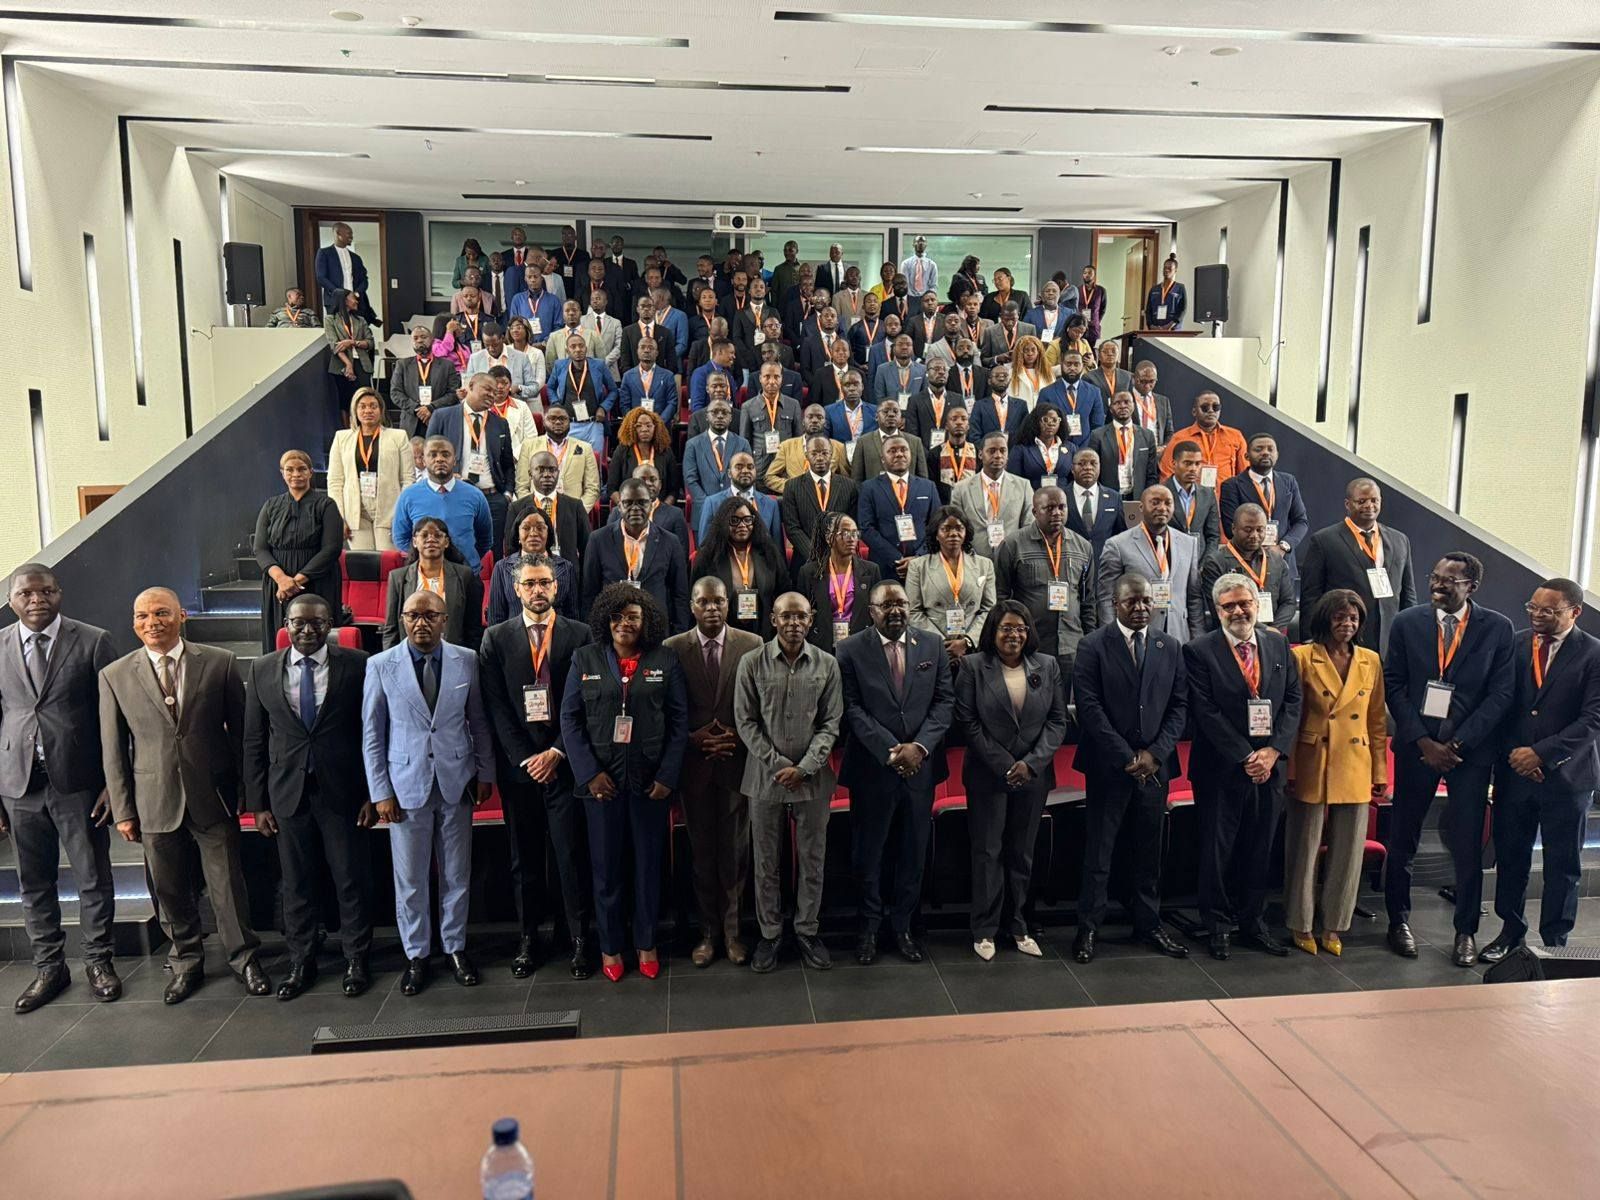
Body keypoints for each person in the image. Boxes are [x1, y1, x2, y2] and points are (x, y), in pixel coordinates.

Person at [100, 589, 269, 1003]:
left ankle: (244, 958)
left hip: (213, 794)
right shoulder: (115, 675)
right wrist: (123, 809)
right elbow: (113, 749)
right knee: (169, 888)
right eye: (142, 616)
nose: (152, 622)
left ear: (182, 616)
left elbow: (243, 734)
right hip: (153, 798)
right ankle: (186, 961)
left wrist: (247, 790)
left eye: (162, 613)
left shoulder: (219, 661)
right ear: (133, 623)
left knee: (227, 885)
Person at [1382, 553, 1514, 966]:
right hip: (1416, 749)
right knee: (1403, 838)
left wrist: (1457, 744)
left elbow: (1501, 694)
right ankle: (1398, 921)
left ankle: (1465, 931)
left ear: (1471, 586)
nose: (1438, 584)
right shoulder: (1407, 622)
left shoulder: (1498, 627)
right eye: (1435, 577)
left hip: (1468, 755)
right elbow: (1393, 684)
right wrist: (1424, 742)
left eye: (1449, 580)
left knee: (1467, 843)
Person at [362, 588, 494, 995]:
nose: (421, 623)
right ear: (402, 619)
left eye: (430, 615)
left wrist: (485, 772)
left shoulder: (466, 660)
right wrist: (380, 791)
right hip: (405, 786)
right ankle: (416, 954)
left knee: (456, 873)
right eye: (413, 615)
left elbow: (479, 721)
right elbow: (372, 735)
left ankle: (455, 947)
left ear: (444, 620)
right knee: (411, 879)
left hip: (456, 781)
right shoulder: (380, 665)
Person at [242, 595, 373, 1000]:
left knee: (350, 879)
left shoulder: (358, 664)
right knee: (296, 882)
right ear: (286, 625)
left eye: (316, 622)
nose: (307, 630)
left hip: (343, 790)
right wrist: (257, 803)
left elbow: (372, 732)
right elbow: (254, 740)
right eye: (298, 622)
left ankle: (356, 958)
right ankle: (301, 961)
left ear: (330, 625)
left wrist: (372, 793)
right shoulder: (263, 669)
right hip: (287, 793)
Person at [1, 566, 120, 1013]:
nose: (37, 600)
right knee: (33, 882)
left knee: (92, 877)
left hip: (80, 782)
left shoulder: (92, 640)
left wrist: (112, 783)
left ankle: (98, 962)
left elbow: (113, 718)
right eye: (26, 593)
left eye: (46, 591)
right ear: (11, 599)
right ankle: (49, 967)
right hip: (18, 784)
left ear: (59, 594)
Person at [559, 583, 689, 982]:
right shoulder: (584, 658)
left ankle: (647, 942)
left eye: (633, 616)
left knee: (648, 868)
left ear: (645, 621)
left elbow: (679, 721)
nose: (624, 624)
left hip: (650, 785)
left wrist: (667, 776)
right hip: (602, 786)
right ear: (606, 620)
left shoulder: (665, 659)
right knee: (606, 872)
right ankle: (611, 947)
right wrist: (589, 774)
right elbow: (570, 720)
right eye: (617, 617)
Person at [479, 555, 596, 980]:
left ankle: (578, 938)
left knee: (571, 854)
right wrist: (527, 758)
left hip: (566, 763)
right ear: (516, 590)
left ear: (556, 587)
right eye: (529, 583)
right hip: (521, 770)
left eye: (544, 582)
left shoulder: (581, 634)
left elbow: (586, 702)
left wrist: (557, 752)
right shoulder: (495, 638)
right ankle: (529, 938)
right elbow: (495, 706)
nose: (537, 590)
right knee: (524, 858)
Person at [1072, 574, 1191, 964]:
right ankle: (1089, 927)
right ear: (1115, 604)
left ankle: (1148, 923)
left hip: (1155, 767)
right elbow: (1088, 707)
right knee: (1099, 851)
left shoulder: (1169, 645)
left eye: (1146, 601)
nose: (1140, 608)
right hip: (1109, 765)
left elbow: (1179, 706)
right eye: (1131, 602)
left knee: (1148, 851)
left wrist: (1154, 753)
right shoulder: (1092, 645)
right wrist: (1126, 755)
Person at [1185, 573, 1303, 960]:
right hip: (1220, 767)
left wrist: (1273, 752)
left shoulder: (1278, 643)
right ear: (1216, 610)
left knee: (1260, 848)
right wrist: (1246, 756)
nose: (1238, 611)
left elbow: (1293, 700)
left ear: (1256, 604)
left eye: (1244, 603)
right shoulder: (1198, 651)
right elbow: (1205, 711)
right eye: (1229, 606)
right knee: (1217, 851)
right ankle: (1218, 925)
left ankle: (1253, 922)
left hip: (1270, 767)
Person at [837, 581, 955, 964]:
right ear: (871, 611)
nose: (895, 611)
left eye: (901, 603)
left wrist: (918, 747)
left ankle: (903, 927)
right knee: (868, 854)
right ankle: (869, 929)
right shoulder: (850, 649)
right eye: (886, 605)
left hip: (921, 767)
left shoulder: (932, 645)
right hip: (873, 768)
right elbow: (852, 709)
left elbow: (944, 702)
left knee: (912, 852)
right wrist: (892, 750)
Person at [1483, 578, 1600, 961]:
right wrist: (1517, 755)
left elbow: (1593, 719)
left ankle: (1554, 944)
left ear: (1575, 612)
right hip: (1515, 774)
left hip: (1567, 779)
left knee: (1562, 866)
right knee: (1511, 858)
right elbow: (1498, 706)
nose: (1537, 616)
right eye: (1532, 608)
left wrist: (1541, 755)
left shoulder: (1593, 653)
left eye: (1548, 611)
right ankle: (1510, 932)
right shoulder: (1514, 644)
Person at [734, 592, 842, 971]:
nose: (794, 623)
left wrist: (806, 766)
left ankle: (807, 931)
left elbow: (831, 723)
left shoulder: (827, 664)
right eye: (786, 617)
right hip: (765, 779)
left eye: (801, 617)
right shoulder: (751, 662)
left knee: (812, 859)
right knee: (766, 862)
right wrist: (779, 764)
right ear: (773, 620)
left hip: (813, 780)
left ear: (811, 620)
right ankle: (770, 935)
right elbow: (745, 721)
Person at [954, 603, 1068, 961]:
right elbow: (967, 721)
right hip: (988, 774)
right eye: (1006, 628)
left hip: (1033, 776)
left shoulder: (1047, 666)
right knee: (987, 852)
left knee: (1022, 852)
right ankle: (984, 929)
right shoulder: (973, 667)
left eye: (1020, 628)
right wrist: (1006, 764)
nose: (1013, 635)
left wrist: (1030, 764)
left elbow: (1058, 721)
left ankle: (1018, 925)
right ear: (993, 631)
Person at [1284, 591, 1388, 958]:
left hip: (1356, 760)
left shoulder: (1370, 660)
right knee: (1304, 847)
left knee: (1349, 851)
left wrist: (1380, 769)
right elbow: (1291, 717)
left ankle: (1334, 925)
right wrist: (1290, 767)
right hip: (1312, 758)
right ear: (1325, 619)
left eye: (1354, 618)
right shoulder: (1301, 656)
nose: (1347, 624)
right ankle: (1300, 922)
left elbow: (1377, 720)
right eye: (1340, 617)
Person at [665, 578, 762, 966]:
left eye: (719, 601)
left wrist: (738, 735)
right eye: (704, 602)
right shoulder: (673, 649)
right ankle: (708, 933)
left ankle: (733, 933)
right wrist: (694, 738)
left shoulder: (752, 644)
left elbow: (760, 703)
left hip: (738, 762)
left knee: (736, 853)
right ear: (691, 606)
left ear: (729, 603)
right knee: (702, 855)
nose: (712, 608)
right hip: (695, 765)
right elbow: (668, 710)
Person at [994, 487, 1098, 696]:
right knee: (1030, 703)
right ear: (1034, 512)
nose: (1057, 513)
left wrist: (1090, 641)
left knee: (1066, 706)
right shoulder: (1012, 545)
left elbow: (1088, 601)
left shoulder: (1083, 547)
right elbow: (1001, 597)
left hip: (1071, 645)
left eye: (1061, 507)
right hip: (1030, 644)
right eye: (1049, 508)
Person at [1300, 477, 1417, 656]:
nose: (1369, 506)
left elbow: (1408, 593)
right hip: (1344, 639)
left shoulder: (1400, 539)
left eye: (1374, 500)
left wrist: (1411, 633)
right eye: (1361, 501)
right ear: (1348, 504)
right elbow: (1311, 595)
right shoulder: (1324, 540)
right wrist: (1310, 638)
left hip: (1390, 641)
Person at [254, 449, 342, 654]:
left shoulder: (326, 505)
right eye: (290, 470)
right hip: (278, 585)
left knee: (317, 637)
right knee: (279, 641)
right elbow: (260, 548)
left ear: (310, 472)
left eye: (302, 469)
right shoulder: (270, 506)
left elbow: (331, 548)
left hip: (317, 581)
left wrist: (295, 582)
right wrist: (282, 580)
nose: (296, 474)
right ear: (282, 473)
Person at [1097, 486, 1206, 644]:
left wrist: (1198, 639)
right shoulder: (1117, 545)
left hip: (1178, 636)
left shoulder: (1189, 543)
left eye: (1168, 503)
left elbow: (1194, 597)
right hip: (1135, 636)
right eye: (1155, 502)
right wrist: (1111, 638)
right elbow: (1107, 597)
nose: (1162, 508)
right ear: (1141, 507)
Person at [426, 373, 517, 559]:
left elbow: (508, 463)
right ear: (471, 385)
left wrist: (507, 493)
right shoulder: (442, 416)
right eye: (488, 389)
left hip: (492, 498)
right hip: (454, 494)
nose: (492, 395)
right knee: (454, 550)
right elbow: (430, 455)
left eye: (495, 392)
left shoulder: (500, 423)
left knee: (492, 554)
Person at [582, 478, 691, 631]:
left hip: (655, 630)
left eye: (642, 502)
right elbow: (589, 593)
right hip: (613, 630)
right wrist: (593, 634)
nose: (635, 508)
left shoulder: (670, 541)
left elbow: (680, 594)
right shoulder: (598, 539)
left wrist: (678, 634)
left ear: (651, 505)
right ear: (619, 507)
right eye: (628, 503)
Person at [906, 505, 996, 665]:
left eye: (959, 528)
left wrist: (967, 641)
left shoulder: (985, 565)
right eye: (946, 529)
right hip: (933, 648)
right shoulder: (918, 566)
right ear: (936, 534)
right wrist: (942, 644)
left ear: (966, 532)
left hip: (972, 649)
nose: (953, 533)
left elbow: (989, 608)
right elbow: (913, 611)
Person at [392, 438, 495, 573]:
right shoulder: (408, 496)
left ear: (455, 460)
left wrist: (466, 560)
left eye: (445, 455)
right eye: (433, 455)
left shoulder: (475, 495)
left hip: (467, 574)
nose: (439, 459)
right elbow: (401, 538)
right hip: (425, 576)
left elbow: (485, 539)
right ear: (423, 460)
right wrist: (427, 557)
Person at [382, 515, 484, 650]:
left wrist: (470, 659)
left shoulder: (465, 576)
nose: (431, 539)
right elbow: (391, 629)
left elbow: (473, 628)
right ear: (414, 542)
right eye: (424, 535)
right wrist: (390, 660)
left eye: (438, 535)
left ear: (446, 542)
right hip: (409, 654)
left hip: (452, 653)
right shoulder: (398, 577)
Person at [327, 388, 409, 551]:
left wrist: (401, 515)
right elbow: (335, 481)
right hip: (356, 511)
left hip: (389, 509)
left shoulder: (398, 436)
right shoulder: (341, 437)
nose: (368, 410)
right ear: (355, 410)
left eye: (373, 406)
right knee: (362, 561)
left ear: (381, 410)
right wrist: (339, 518)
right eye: (362, 406)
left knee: (387, 560)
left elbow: (407, 479)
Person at [1218, 434, 1309, 574]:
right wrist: (1259, 549)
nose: (1265, 452)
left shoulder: (1288, 481)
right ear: (1246, 456)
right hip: (1247, 562)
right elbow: (1231, 528)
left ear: (1277, 454)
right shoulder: (1232, 485)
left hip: (1283, 559)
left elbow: (1301, 521)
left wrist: (1283, 547)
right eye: (1258, 449)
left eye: (1270, 449)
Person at [1202, 504, 1297, 635]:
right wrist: (1263, 630)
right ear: (1233, 529)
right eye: (1248, 530)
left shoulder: (1276, 560)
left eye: (1260, 530)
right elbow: (1218, 607)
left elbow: (1289, 602)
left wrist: (1274, 629)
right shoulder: (1215, 562)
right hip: (1232, 635)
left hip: (1273, 635)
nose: (1254, 535)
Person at [857, 434, 941, 580]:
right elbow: (866, 528)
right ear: (882, 459)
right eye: (892, 451)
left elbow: (937, 526)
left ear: (910, 454)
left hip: (923, 565)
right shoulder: (869, 488)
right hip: (885, 566)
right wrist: (896, 558)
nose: (899, 454)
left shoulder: (928, 487)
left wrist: (918, 558)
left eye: (903, 450)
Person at [797, 512, 881, 654]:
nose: (852, 539)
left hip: (861, 644)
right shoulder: (809, 572)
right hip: (821, 645)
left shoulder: (871, 570)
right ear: (829, 538)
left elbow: (877, 613)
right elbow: (802, 615)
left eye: (855, 533)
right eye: (845, 533)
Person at [488, 505, 580, 625]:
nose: (533, 533)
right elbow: (496, 619)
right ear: (517, 534)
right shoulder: (502, 568)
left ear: (548, 533)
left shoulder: (566, 567)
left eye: (540, 528)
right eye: (526, 528)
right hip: (514, 635)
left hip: (557, 634)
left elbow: (572, 616)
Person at [781, 437, 860, 576]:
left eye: (824, 453)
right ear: (806, 455)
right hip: (805, 562)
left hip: (842, 561)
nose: (819, 458)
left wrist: (837, 553)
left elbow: (853, 523)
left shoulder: (849, 486)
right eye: (814, 453)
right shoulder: (792, 486)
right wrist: (815, 555)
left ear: (832, 455)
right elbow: (792, 528)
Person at [952, 433, 1033, 560]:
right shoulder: (961, 489)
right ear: (980, 454)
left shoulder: (1023, 486)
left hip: (1013, 559)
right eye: (992, 451)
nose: (998, 455)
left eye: (1003, 450)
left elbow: (1029, 526)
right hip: (973, 560)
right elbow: (957, 527)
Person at [516, 405, 602, 512]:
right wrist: (533, 511)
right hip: (537, 510)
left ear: (569, 422)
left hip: (572, 510)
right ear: (544, 422)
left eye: (562, 419)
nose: (557, 422)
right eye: (552, 418)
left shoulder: (585, 448)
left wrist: (578, 511)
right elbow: (522, 486)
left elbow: (592, 488)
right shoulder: (528, 446)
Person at [546, 331, 617, 457]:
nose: (578, 350)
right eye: (573, 347)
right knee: (569, 462)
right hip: (569, 424)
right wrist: (556, 404)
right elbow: (550, 387)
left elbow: (613, 390)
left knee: (594, 462)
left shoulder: (599, 365)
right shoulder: (560, 366)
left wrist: (603, 408)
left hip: (594, 424)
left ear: (586, 348)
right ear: (567, 351)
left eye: (581, 346)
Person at [697, 451, 782, 547]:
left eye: (750, 467)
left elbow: (777, 547)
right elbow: (704, 546)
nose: (745, 471)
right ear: (729, 473)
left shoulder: (771, 504)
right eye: (739, 467)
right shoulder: (712, 503)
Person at [1159, 393, 1249, 483]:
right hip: (1190, 491)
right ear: (1194, 412)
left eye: (1216, 407)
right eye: (1205, 407)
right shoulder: (1179, 438)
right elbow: (1167, 473)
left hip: (1226, 491)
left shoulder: (1235, 436)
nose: (1211, 411)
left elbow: (1245, 473)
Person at [739, 361, 804, 486]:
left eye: (776, 377)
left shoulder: (793, 404)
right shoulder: (748, 406)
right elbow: (745, 442)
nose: (772, 381)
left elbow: (798, 440)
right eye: (767, 377)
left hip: (785, 469)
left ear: (782, 378)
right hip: (759, 467)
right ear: (760, 378)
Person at [393, 322, 463, 437]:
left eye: (423, 337)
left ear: (432, 340)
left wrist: (431, 408)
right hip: (411, 421)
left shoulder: (447, 365)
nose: (420, 340)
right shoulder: (402, 365)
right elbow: (395, 393)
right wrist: (417, 409)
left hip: (438, 418)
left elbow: (452, 393)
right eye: (415, 338)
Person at [606, 408, 680, 506]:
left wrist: (663, 509)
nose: (644, 429)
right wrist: (626, 507)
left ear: (656, 428)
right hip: (630, 508)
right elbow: (611, 488)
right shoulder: (622, 451)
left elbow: (674, 490)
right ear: (631, 429)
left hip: (660, 506)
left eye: (649, 425)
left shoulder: (665, 450)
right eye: (639, 426)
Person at [767, 404, 849, 493]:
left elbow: (846, 478)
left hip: (827, 497)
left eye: (819, 417)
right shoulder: (787, 446)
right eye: (810, 417)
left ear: (825, 423)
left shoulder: (838, 447)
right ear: (803, 422)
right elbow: (770, 477)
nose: (814, 420)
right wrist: (793, 488)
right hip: (797, 498)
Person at [849, 396, 931, 483]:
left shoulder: (915, 442)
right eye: (885, 411)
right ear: (876, 416)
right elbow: (856, 479)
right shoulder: (863, 442)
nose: (891, 414)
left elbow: (923, 479)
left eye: (895, 411)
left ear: (901, 417)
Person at [1064, 448, 1127, 561]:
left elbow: (1121, 535)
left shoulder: (1114, 497)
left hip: (1105, 563)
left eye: (1093, 463)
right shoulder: (1061, 496)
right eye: (1081, 464)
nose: (1088, 468)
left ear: (1100, 467)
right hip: (1070, 562)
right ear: (1072, 468)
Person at [1162, 439, 1221, 555]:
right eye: (1187, 463)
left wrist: (1207, 562)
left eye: (1197, 464)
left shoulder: (1208, 494)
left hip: (1200, 559)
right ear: (1174, 464)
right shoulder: (1160, 492)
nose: (1193, 469)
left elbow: (1213, 535)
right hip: (1169, 558)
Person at [323, 288, 374, 419]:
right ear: (344, 300)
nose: (356, 301)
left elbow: (370, 342)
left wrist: (352, 342)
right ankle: (348, 429)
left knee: (363, 397)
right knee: (345, 401)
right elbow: (335, 345)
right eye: (353, 298)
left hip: (361, 363)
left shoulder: (360, 320)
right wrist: (348, 365)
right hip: (341, 365)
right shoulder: (330, 320)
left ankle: (363, 426)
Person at [466, 321, 544, 404]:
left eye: (495, 345)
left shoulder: (521, 357)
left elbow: (534, 389)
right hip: (485, 408)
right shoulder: (475, 359)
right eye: (487, 345)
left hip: (515, 407)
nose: (491, 349)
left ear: (502, 338)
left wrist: (519, 388)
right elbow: (469, 387)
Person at [616, 336, 680, 427]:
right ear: (637, 351)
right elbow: (624, 405)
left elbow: (672, 402)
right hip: (635, 427)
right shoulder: (628, 376)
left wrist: (659, 423)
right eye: (643, 347)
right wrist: (636, 423)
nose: (646, 350)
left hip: (661, 427)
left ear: (657, 353)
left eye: (651, 348)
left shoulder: (667, 376)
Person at [1008, 403, 1072, 491]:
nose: (1051, 423)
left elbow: (1073, 479)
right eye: (1045, 419)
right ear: (1036, 421)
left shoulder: (1070, 448)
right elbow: (1014, 480)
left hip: (1063, 497)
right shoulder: (1021, 449)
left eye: (1055, 420)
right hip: (1032, 496)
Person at [315, 222, 371, 316]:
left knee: (358, 326)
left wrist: (356, 294)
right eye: (349, 233)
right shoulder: (324, 253)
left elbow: (364, 279)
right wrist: (343, 295)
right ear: (338, 234)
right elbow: (321, 278)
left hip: (356, 302)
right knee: (338, 326)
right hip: (335, 302)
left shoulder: (356, 258)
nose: (351, 237)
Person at [969, 363, 1026, 446]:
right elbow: (974, 436)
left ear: (1010, 380)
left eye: (1005, 376)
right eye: (997, 376)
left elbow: (1025, 435)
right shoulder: (979, 405)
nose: (1001, 378)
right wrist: (987, 450)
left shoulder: (1021, 405)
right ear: (989, 381)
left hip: (1015, 452)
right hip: (988, 452)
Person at [1129, 362, 1176, 445]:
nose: (1147, 386)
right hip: (1133, 449)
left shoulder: (1163, 401)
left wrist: (1164, 447)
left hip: (1157, 449)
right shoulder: (1125, 399)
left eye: (1151, 381)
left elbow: (1169, 432)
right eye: (1143, 381)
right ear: (1133, 378)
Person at [1145, 256, 1186, 329]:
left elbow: (1182, 310)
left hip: (1172, 329)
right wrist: (1151, 326)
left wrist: (1170, 325)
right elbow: (1148, 311)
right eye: (1165, 268)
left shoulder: (1180, 288)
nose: (1166, 270)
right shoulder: (1154, 289)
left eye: (1169, 268)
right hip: (1155, 329)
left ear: (1175, 270)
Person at [1025, 280, 1070, 345]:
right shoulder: (1031, 314)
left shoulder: (1069, 314)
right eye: (1047, 291)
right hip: (1038, 349)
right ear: (1042, 296)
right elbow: (1025, 336)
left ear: (1059, 295)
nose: (1050, 293)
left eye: (1054, 291)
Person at [1095, 339, 1133, 404]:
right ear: (1099, 355)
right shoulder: (1089, 377)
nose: (1110, 354)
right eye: (1105, 351)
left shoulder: (1128, 376)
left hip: (1122, 409)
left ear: (1118, 355)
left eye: (1113, 351)